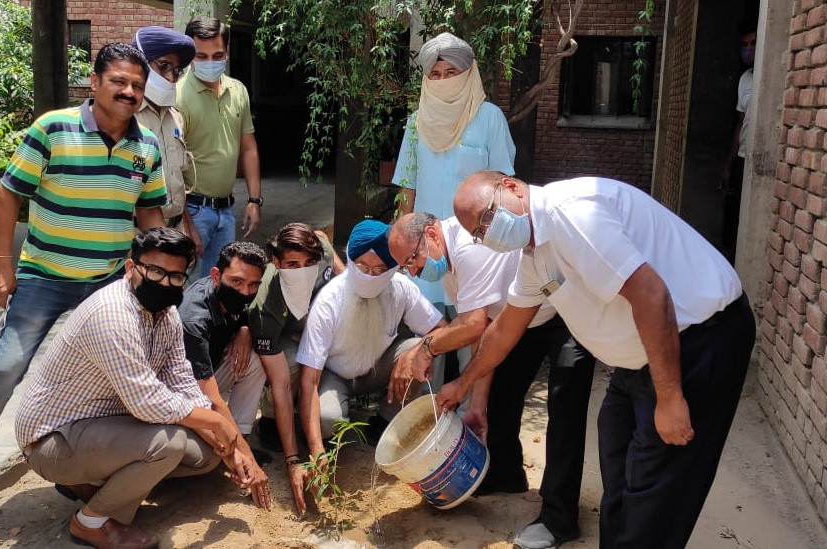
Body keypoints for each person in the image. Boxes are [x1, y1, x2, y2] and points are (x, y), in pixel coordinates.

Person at [440, 170, 755, 548]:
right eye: (479, 233)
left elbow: (652, 296)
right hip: (638, 358)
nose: (488, 234)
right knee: (617, 457)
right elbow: (505, 328)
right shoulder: (536, 253)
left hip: (698, 340)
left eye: (488, 218)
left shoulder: (572, 214)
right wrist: (463, 383)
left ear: (510, 187)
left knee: (655, 495)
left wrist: (670, 397)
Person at [0, 43, 167, 499]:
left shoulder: (148, 145)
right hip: (45, 275)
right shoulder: (52, 128)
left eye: (137, 85)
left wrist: (155, 273)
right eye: (119, 81)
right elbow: (8, 195)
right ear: (96, 81)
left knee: (119, 368)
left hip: (109, 281)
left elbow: (150, 216)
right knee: (6, 366)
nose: (128, 91)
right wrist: (1, 267)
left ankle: (92, 460)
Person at [15, 228, 270, 549]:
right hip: (52, 438)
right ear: (130, 268)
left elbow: (181, 382)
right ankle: (89, 522)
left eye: (176, 276)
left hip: (106, 424)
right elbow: (146, 400)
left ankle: (96, 484)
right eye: (155, 271)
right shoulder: (113, 314)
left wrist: (228, 448)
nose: (165, 282)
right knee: (169, 444)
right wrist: (217, 423)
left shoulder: (166, 315)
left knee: (206, 456)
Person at [387, 212, 594, 548]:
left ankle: (560, 519)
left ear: (431, 235)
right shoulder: (448, 266)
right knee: (500, 395)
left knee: (564, 407)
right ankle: (505, 474)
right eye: (405, 266)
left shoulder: (468, 246)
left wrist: (425, 348)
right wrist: (477, 403)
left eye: (412, 259)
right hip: (520, 318)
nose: (412, 271)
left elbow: (472, 325)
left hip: (566, 310)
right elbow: (481, 338)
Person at [297, 220, 446, 465]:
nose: (369, 276)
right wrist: (315, 450)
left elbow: (441, 331)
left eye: (378, 270)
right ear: (350, 260)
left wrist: (417, 353)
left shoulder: (401, 288)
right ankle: (316, 433)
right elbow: (309, 379)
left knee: (417, 349)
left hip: (378, 369)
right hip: (334, 375)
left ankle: (386, 423)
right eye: (362, 266)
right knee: (327, 420)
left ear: (392, 268)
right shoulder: (329, 300)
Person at [391, 32, 516, 307]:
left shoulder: (490, 118)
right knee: (427, 326)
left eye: (451, 72)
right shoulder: (416, 122)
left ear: (468, 73)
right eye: (435, 73)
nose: (442, 80)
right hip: (426, 249)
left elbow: (503, 187)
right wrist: (403, 238)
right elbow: (407, 184)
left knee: (471, 330)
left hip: (476, 248)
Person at [248, 223, 345, 515]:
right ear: (276, 263)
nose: (303, 271)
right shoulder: (263, 307)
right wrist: (293, 461)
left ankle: (309, 421)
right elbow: (278, 382)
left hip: (319, 336)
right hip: (284, 340)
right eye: (292, 264)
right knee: (290, 367)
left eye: (309, 264)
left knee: (330, 421)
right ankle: (272, 419)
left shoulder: (322, 248)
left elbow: (343, 278)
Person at [179, 16, 262, 276]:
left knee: (221, 286)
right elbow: (170, 169)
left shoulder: (237, 90)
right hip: (193, 210)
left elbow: (248, 147)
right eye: (200, 56)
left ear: (227, 52)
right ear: (189, 54)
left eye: (217, 55)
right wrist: (186, 223)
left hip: (226, 211)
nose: (209, 62)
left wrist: (254, 199)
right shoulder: (178, 96)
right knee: (189, 290)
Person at [178, 241, 270, 461]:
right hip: (183, 389)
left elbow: (245, 310)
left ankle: (240, 436)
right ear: (216, 276)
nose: (244, 292)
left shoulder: (232, 292)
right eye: (236, 281)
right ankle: (233, 446)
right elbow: (208, 395)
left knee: (256, 360)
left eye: (253, 285)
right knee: (203, 458)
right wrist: (247, 460)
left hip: (211, 371)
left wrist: (245, 330)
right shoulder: (194, 318)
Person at [131, 26, 200, 241]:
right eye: (164, 66)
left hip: (175, 230)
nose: (171, 77)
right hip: (136, 235)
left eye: (176, 70)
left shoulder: (175, 117)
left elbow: (177, 182)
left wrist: (189, 230)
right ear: (141, 65)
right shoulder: (126, 117)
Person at [719, 25, 756, 264]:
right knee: (733, 218)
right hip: (742, 158)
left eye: (753, 44)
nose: (748, 50)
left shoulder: (772, 74)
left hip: (758, 159)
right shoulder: (744, 79)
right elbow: (740, 124)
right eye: (744, 45)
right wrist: (729, 165)